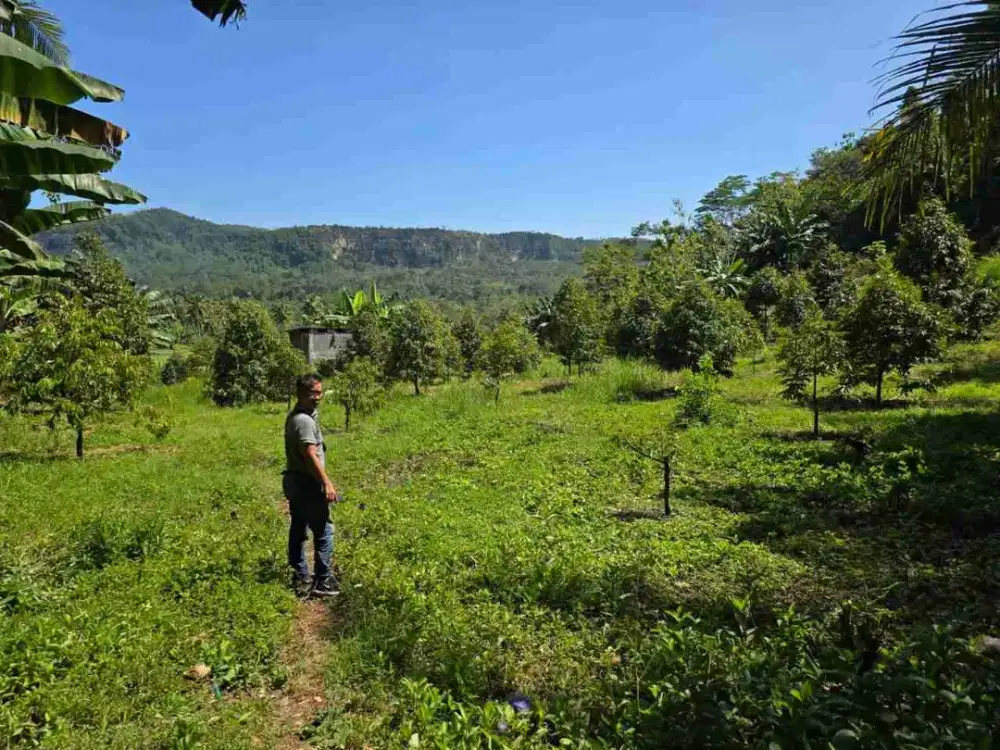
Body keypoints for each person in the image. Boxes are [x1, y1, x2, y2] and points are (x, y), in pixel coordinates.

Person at [283, 373, 340, 598]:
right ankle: (322, 580)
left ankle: (301, 575)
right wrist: (326, 482)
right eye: (313, 393)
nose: (318, 397)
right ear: (301, 394)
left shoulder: (300, 415)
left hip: (297, 482)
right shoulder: (304, 421)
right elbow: (309, 454)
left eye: (320, 392)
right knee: (323, 529)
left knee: (298, 527)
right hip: (307, 483)